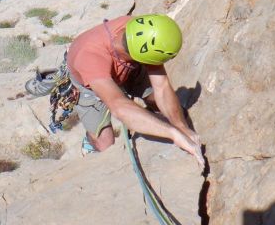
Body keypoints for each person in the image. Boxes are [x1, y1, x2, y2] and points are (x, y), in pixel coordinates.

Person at [56, 14, 203, 166]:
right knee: (105, 143)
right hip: (91, 84)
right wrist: (172, 133)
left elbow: (162, 86)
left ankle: (148, 118)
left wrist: (181, 127)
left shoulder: (142, 33)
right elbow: (118, 107)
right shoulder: (90, 56)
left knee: (158, 102)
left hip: (130, 66)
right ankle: (91, 140)